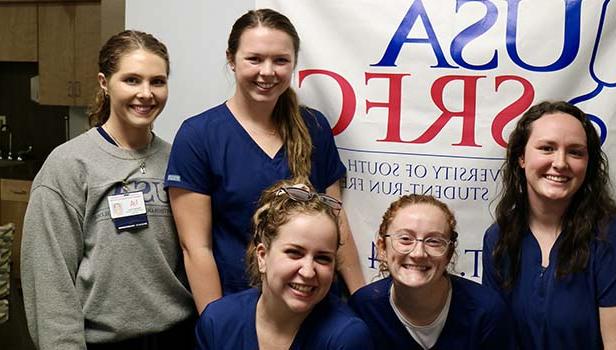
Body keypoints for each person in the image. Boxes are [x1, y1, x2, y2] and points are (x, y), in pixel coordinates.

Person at [165, 8, 365, 313]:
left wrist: (362, 302)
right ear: (231, 59)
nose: (267, 71)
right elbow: (197, 249)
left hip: (314, 307)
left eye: (280, 60)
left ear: (294, 63)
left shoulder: (315, 127)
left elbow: (337, 226)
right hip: (240, 307)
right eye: (254, 59)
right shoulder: (199, 136)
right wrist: (217, 324)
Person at [21, 30, 195, 349]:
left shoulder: (179, 160)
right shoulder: (69, 165)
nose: (146, 93)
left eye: (157, 81)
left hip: (179, 337)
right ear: (104, 83)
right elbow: (49, 279)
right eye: (131, 80)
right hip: (103, 342)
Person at [482, 101, 616, 349]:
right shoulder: (499, 237)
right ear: (521, 157)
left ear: (587, 165)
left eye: (575, 152)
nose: (561, 162)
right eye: (547, 148)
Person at [195, 180, 373, 349]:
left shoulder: (346, 337)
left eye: (323, 258)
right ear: (262, 257)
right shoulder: (218, 322)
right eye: (294, 253)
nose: (309, 272)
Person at [349, 194, 514, 349]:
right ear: (382, 248)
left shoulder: (486, 313)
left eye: (434, 241)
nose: (418, 253)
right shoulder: (364, 308)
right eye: (405, 239)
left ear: (449, 254)